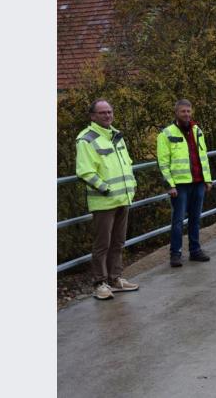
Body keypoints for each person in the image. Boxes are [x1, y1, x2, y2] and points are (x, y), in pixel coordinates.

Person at [75, 99, 139, 300]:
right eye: (102, 112)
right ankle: (100, 283)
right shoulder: (86, 139)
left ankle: (115, 278)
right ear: (92, 116)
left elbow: (127, 164)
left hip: (123, 198)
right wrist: (106, 189)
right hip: (104, 201)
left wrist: (132, 186)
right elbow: (85, 170)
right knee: (102, 244)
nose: (107, 115)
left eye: (110, 111)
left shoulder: (116, 136)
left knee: (118, 242)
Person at [157, 99, 213, 267]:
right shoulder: (166, 134)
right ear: (176, 113)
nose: (186, 115)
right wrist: (170, 185)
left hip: (198, 182)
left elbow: (203, 156)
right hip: (180, 185)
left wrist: (207, 179)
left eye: (188, 111)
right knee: (178, 220)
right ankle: (176, 253)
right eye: (183, 112)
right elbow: (163, 162)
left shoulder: (197, 131)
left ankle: (195, 250)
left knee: (196, 219)